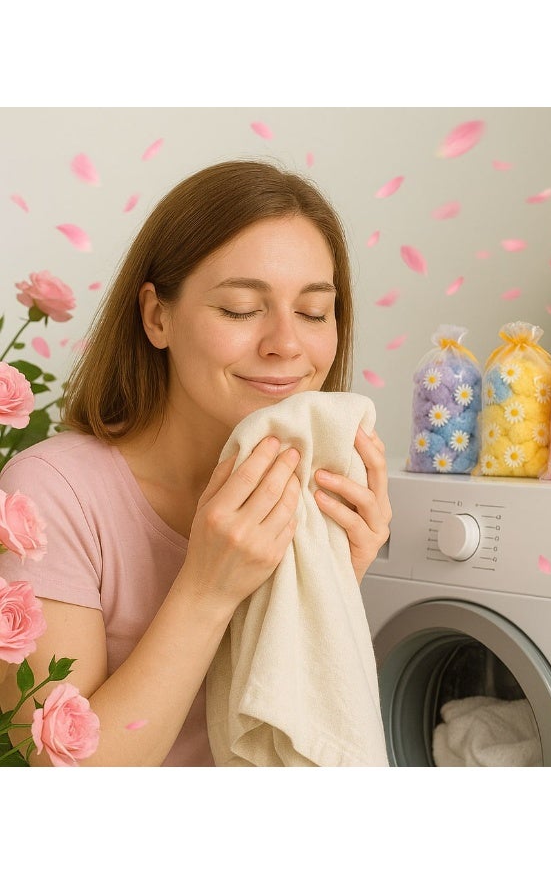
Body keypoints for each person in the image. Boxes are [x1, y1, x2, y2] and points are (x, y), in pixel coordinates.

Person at [0, 159, 391, 766]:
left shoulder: (314, 495)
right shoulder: (53, 495)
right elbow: (52, 778)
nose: (286, 343)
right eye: (239, 308)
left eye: (314, 312)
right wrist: (208, 589)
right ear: (158, 316)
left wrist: (328, 578)